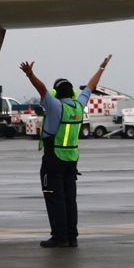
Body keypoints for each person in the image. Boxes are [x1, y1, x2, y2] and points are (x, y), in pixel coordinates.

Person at [19, 55, 112, 248]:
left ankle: (60, 236)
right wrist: (101, 69)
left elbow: (42, 90)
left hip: (54, 157)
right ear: (72, 93)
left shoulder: (55, 106)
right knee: (70, 199)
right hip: (72, 159)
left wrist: (30, 74)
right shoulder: (78, 106)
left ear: (56, 93)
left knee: (55, 197)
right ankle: (71, 236)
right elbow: (90, 87)